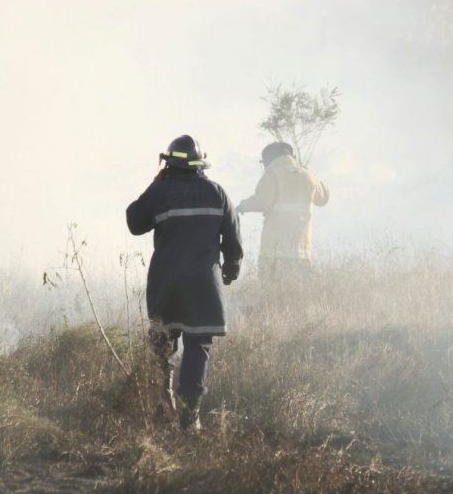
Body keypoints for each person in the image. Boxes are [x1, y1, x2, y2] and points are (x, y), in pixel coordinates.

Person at [126, 134, 242, 430]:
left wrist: (155, 184)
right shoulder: (218, 193)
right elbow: (233, 242)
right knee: (198, 344)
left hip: (166, 283)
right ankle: (191, 417)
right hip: (203, 284)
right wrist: (230, 271)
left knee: (162, 342)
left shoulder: (161, 191)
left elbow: (134, 223)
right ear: (200, 165)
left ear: (168, 163)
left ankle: (163, 408)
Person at [237, 142, 329, 277]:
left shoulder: (271, 176)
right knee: (300, 294)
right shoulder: (308, 176)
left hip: (274, 251)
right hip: (302, 252)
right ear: (292, 157)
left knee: (272, 293)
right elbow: (323, 199)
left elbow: (261, 201)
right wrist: (310, 174)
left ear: (268, 160)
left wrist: (242, 206)